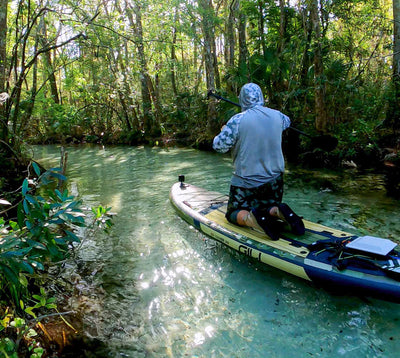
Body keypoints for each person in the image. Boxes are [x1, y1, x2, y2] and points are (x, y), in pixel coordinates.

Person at [212, 83, 304, 240]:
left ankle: (251, 219)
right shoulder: (279, 116)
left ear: (242, 99)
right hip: (275, 182)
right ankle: (277, 211)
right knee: (266, 205)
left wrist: (224, 130)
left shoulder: (237, 121)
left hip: (246, 182)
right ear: (261, 97)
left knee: (233, 213)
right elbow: (287, 122)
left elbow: (218, 146)